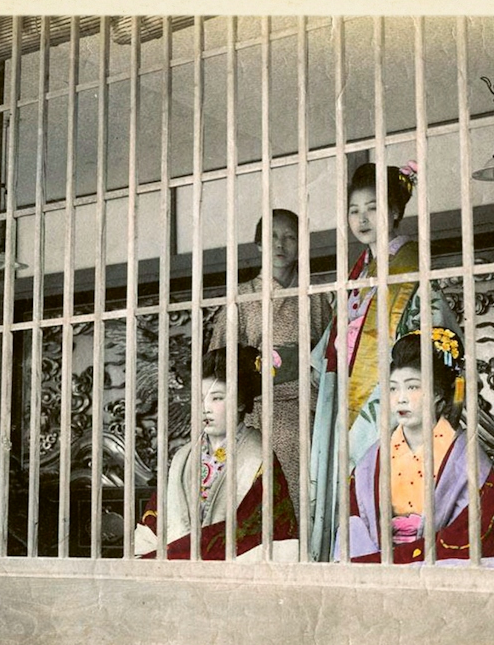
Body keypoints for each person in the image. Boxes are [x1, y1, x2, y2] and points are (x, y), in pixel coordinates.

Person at [306, 160, 459, 562]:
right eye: (354, 210)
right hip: (346, 403)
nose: (362, 218)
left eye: (372, 208)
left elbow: (437, 340)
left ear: (393, 212)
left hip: (390, 403)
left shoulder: (411, 269)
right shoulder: (361, 272)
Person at [340, 330, 494, 566]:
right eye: (393, 388)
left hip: (443, 572)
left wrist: (410, 560)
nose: (400, 398)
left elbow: (471, 533)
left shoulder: (466, 458)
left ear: (437, 393)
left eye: (412, 387)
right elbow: (355, 526)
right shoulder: (371, 459)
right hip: (379, 570)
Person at [209, 208, 332, 511]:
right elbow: (218, 366)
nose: (280, 245)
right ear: (259, 244)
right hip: (256, 415)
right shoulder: (242, 298)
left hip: (306, 413)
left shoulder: (315, 296)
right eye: (272, 237)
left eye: (290, 237)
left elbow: (331, 355)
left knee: (304, 502)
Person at [135, 345, 298, 561]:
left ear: (241, 402)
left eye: (217, 398)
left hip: (232, 569)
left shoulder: (257, 457)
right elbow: (155, 520)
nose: (205, 408)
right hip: (175, 566)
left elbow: (259, 533)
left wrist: (179, 555)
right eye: (201, 397)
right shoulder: (182, 457)